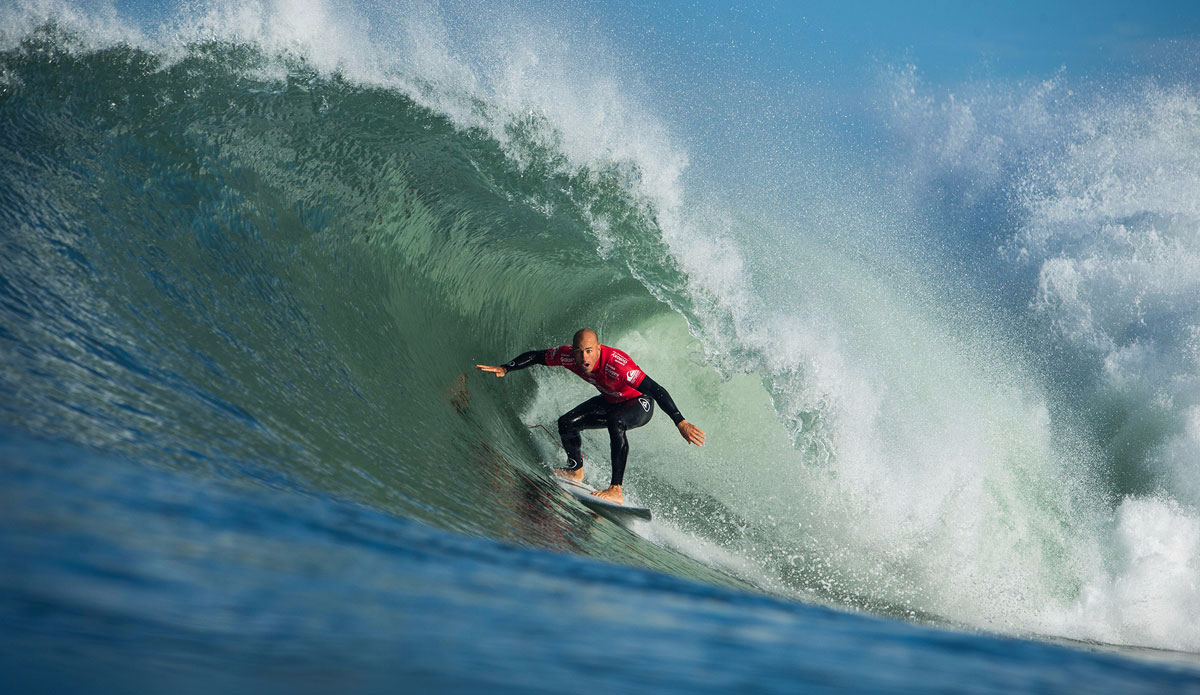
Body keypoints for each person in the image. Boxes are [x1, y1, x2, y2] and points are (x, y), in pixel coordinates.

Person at [475, 328, 705, 505]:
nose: (584, 357)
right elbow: (537, 356)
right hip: (610, 400)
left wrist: (680, 421)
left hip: (639, 403)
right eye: (579, 351)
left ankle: (616, 489)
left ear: (598, 348)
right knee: (567, 423)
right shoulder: (567, 356)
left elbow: (655, 389)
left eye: (589, 351)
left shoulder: (617, 364)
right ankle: (575, 470)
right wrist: (506, 368)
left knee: (618, 422)